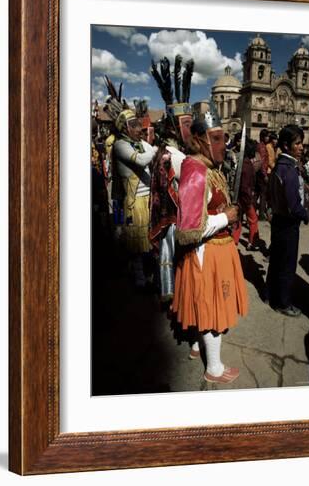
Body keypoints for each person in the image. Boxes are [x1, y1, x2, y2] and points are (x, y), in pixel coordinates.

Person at [171, 106, 248, 384]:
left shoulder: (209, 167)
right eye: (216, 139)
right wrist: (224, 217)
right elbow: (190, 229)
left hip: (219, 247)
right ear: (201, 140)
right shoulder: (196, 172)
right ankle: (213, 368)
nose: (223, 144)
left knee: (203, 303)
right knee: (212, 308)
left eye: (222, 138)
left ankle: (195, 346)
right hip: (208, 250)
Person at [103, 77, 158, 290]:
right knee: (136, 245)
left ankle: (143, 273)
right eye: (133, 125)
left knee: (145, 241)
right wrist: (153, 149)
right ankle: (139, 279)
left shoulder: (137, 142)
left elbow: (147, 146)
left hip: (145, 200)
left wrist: (150, 146)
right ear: (124, 129)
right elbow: (145, 158)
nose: (139, 128)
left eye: (138, 124)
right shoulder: (119, 146)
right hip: (134, 203)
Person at [149, 55, 192, 303]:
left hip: (164, 217)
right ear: (177, 129)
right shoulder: (177, 157)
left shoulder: (162, 151)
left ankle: (167, 291)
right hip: (175, 218)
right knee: (176, 258)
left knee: (166, 254)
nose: (190, 130)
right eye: (185, 125)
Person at [266, 124, 309, 317]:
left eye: (301, 143)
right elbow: (293, 205)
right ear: (286, 145)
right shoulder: (289, 170)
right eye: (298, 143)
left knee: (276, 260)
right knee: (287, 265)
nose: (301, 147)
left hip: (277, 220)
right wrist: (306, 215)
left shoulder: (279, 167)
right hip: (288, 224)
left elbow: (270, 195)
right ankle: (283, 302)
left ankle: (269, 294)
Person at [232, 139, 261, 250]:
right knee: (253, 220)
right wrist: (249, 201)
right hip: (246, 198)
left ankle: (234, 241)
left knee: (238, 221)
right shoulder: (247, 165)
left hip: (240, 197)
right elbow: (245, 186)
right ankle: (252, 242)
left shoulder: (243, 163)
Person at [256, 128, 270, 219]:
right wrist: (264, 175)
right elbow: (261, 162)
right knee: (263, 194)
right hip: (261, 174)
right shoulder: (261, 147)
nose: (268, 138)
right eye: (267, 136)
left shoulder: (261, 146)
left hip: (259, 173)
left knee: (257, 194)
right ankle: (261, 214)